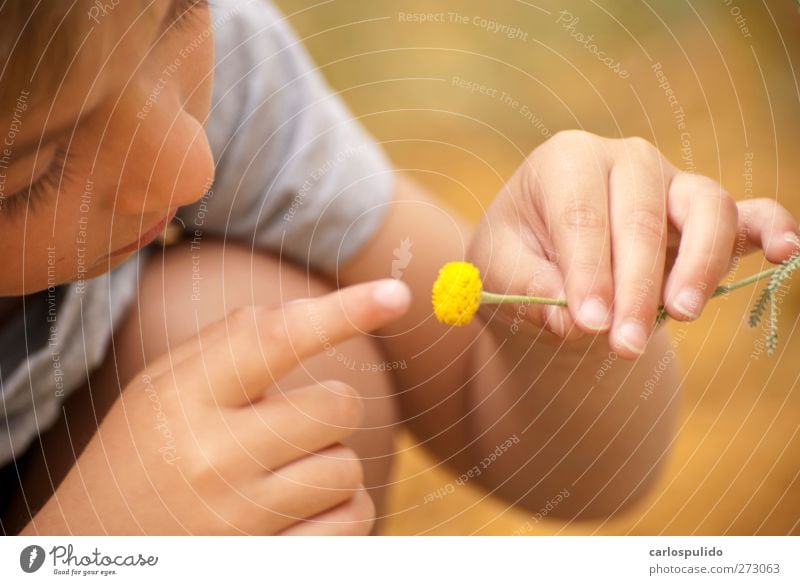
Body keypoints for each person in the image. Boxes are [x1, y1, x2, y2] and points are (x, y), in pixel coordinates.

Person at [0, 0, 797, 535]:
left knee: (280, 350)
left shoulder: (216, 72)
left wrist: (562, 321)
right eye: (33, 174)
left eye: (177, 15)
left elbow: (564, 462)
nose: (190, 168)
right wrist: (80, 546)